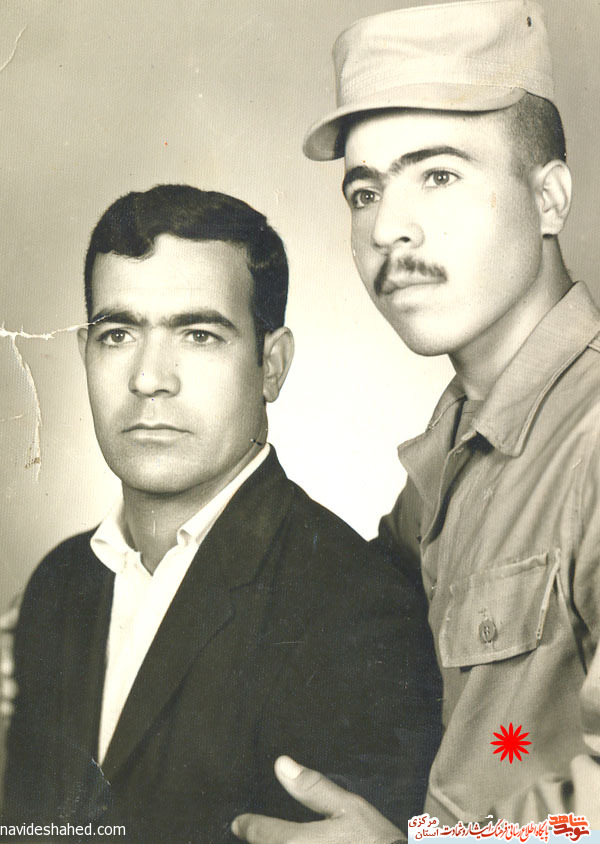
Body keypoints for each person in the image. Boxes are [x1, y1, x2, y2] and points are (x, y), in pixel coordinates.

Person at [232, 1, 600, 841]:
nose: (387, 230)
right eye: (365, 191)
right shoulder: (454, 453)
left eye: (437, 174)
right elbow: (330, 610)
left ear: (549, 197)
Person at [2, 185, 441, 841]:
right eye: (118, 334)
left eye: (199, 335)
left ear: (272, 366)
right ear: (85, 355)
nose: (149, 378)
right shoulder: (57, 585)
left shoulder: (356, 608)